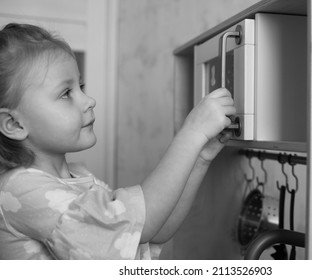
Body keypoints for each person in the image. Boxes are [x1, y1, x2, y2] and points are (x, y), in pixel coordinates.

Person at [0, 23, 236, 259]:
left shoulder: (79, 177)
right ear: (14, 124)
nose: (89, 100)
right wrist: (192, 132)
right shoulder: (20, 190)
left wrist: (200, 157)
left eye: (80, 87)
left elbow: (150, 231)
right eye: (65, 94)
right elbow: (145, 222)